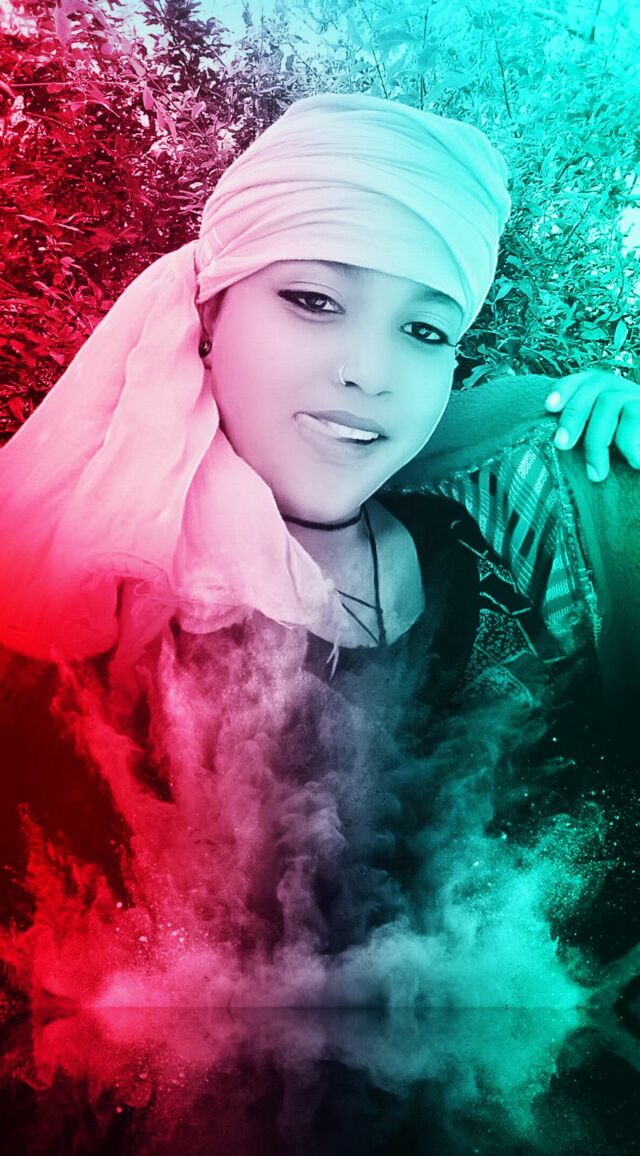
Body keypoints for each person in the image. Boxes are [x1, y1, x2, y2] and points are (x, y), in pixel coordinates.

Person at [0, 93, 638, 1006]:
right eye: (312, 300)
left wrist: (613, 472)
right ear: (209, 315)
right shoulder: (71, 605)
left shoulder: (473, 561)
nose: (369, 372)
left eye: (425, 330)